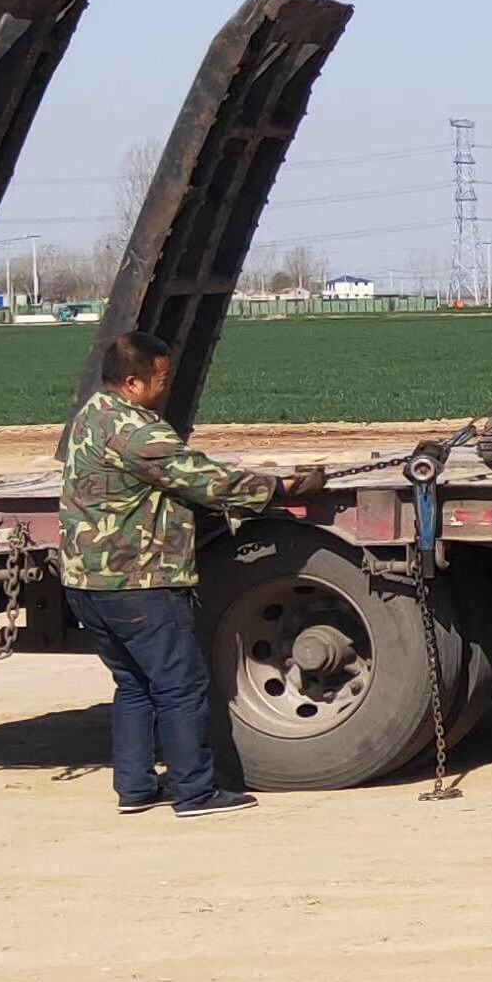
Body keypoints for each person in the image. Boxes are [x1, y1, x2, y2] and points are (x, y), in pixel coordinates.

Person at [58, 331, 321, 818]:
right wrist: (279, 487)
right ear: (132, 383)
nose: (166, 387)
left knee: (134, 685)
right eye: (160, 379)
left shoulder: (91, 416)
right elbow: (206, 481)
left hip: (86, 582)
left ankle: (135, 788)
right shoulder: (139, 431)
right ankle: (194, 792)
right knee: (180, 685)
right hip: (139, 581)